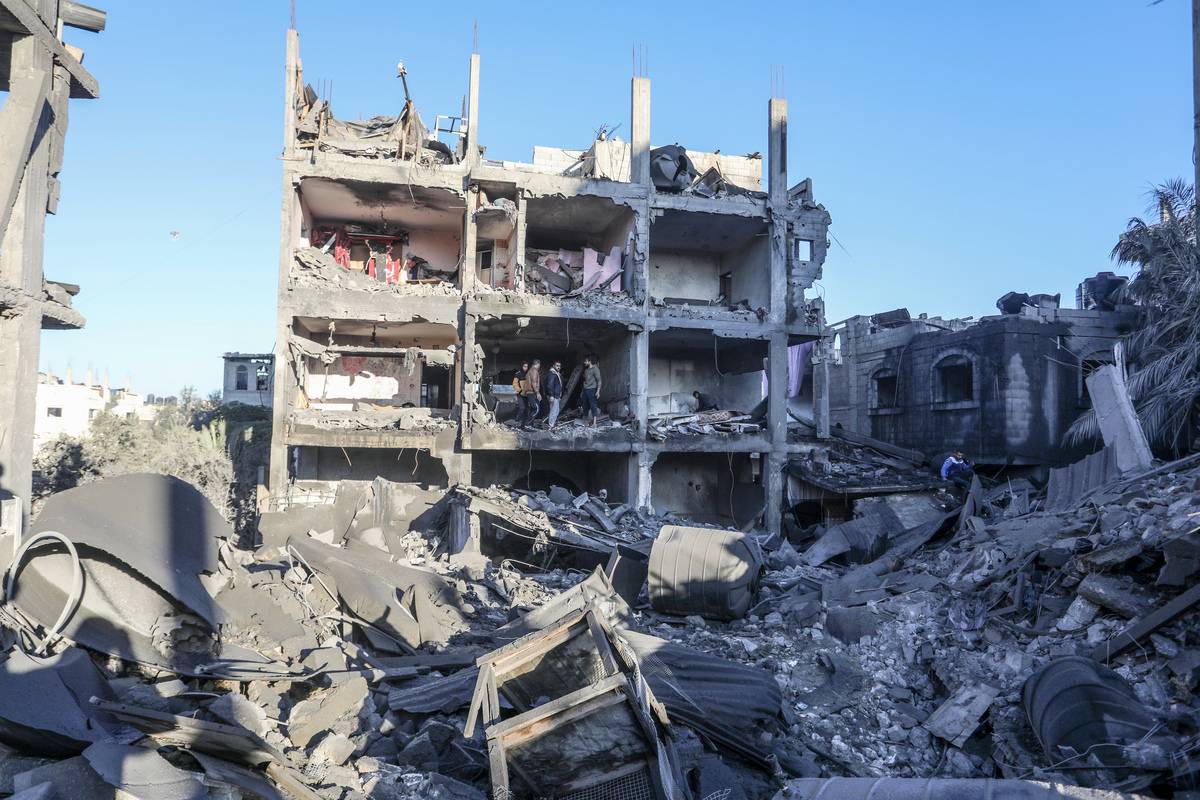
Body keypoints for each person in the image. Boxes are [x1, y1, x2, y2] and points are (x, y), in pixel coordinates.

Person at [520, 359, 542, 428]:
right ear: (538, 364)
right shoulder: (534, 371)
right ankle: (527, 424)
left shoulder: (530, 371)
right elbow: (534, 383)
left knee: (532, 409)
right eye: (539, 365)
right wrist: (538, 393)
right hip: (532, 393)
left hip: (530, 393)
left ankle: (530, 425)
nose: (540, 366)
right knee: (536, 409)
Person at [581, 354, 602, 426]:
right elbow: (586, 380)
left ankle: (594, 423)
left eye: (585, 361)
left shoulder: (595, 369)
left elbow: (599, 381)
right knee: (585, 406)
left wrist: (598, 391)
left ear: (589, 361)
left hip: (592, 389)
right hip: (586, 390)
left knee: (593, 406)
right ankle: (586, 423)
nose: (584, 362)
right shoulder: (586, 370)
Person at [545, 360, 564, 428]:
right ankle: (550, 425)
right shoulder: (552, 374)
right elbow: (550, 385)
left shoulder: (556, 373)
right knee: (554, 410)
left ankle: (551, 424)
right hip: (554, 395)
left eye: (559, 366)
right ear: (553, 366)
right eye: (557, 365)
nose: (558, 367)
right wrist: (551, 395)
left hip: (557, 395)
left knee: (556, 410)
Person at [511, 361, 529, 427]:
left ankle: (523, 424)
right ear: (522, 366)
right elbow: (514, 384)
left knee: (527, 409)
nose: (526, 368)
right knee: (522, 408)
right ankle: (516, 421)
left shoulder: (528, 374)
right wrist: (520, 390)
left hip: (527, 395)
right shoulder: (518, 374)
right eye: (524, 366)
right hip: (520, 394)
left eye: (527, 367)